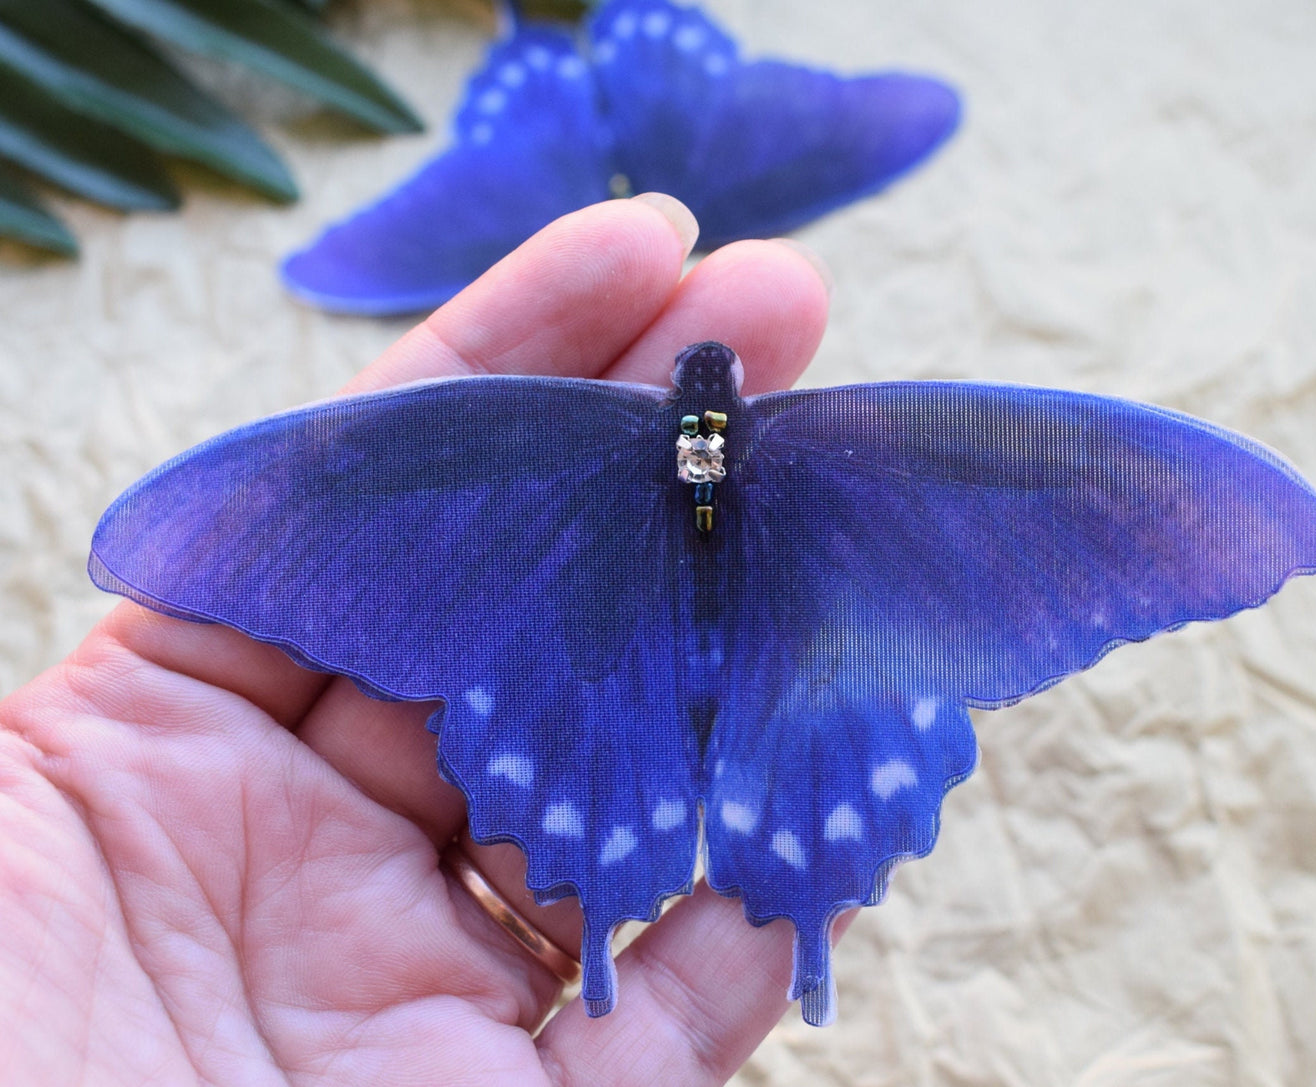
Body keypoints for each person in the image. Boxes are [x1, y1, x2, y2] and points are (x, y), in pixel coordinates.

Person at [0, 194, 837, 1085]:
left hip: (598, 662)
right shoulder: (884, 449)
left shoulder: (519, 441)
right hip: (813, 666)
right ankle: (768, 955)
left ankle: (609, 946)